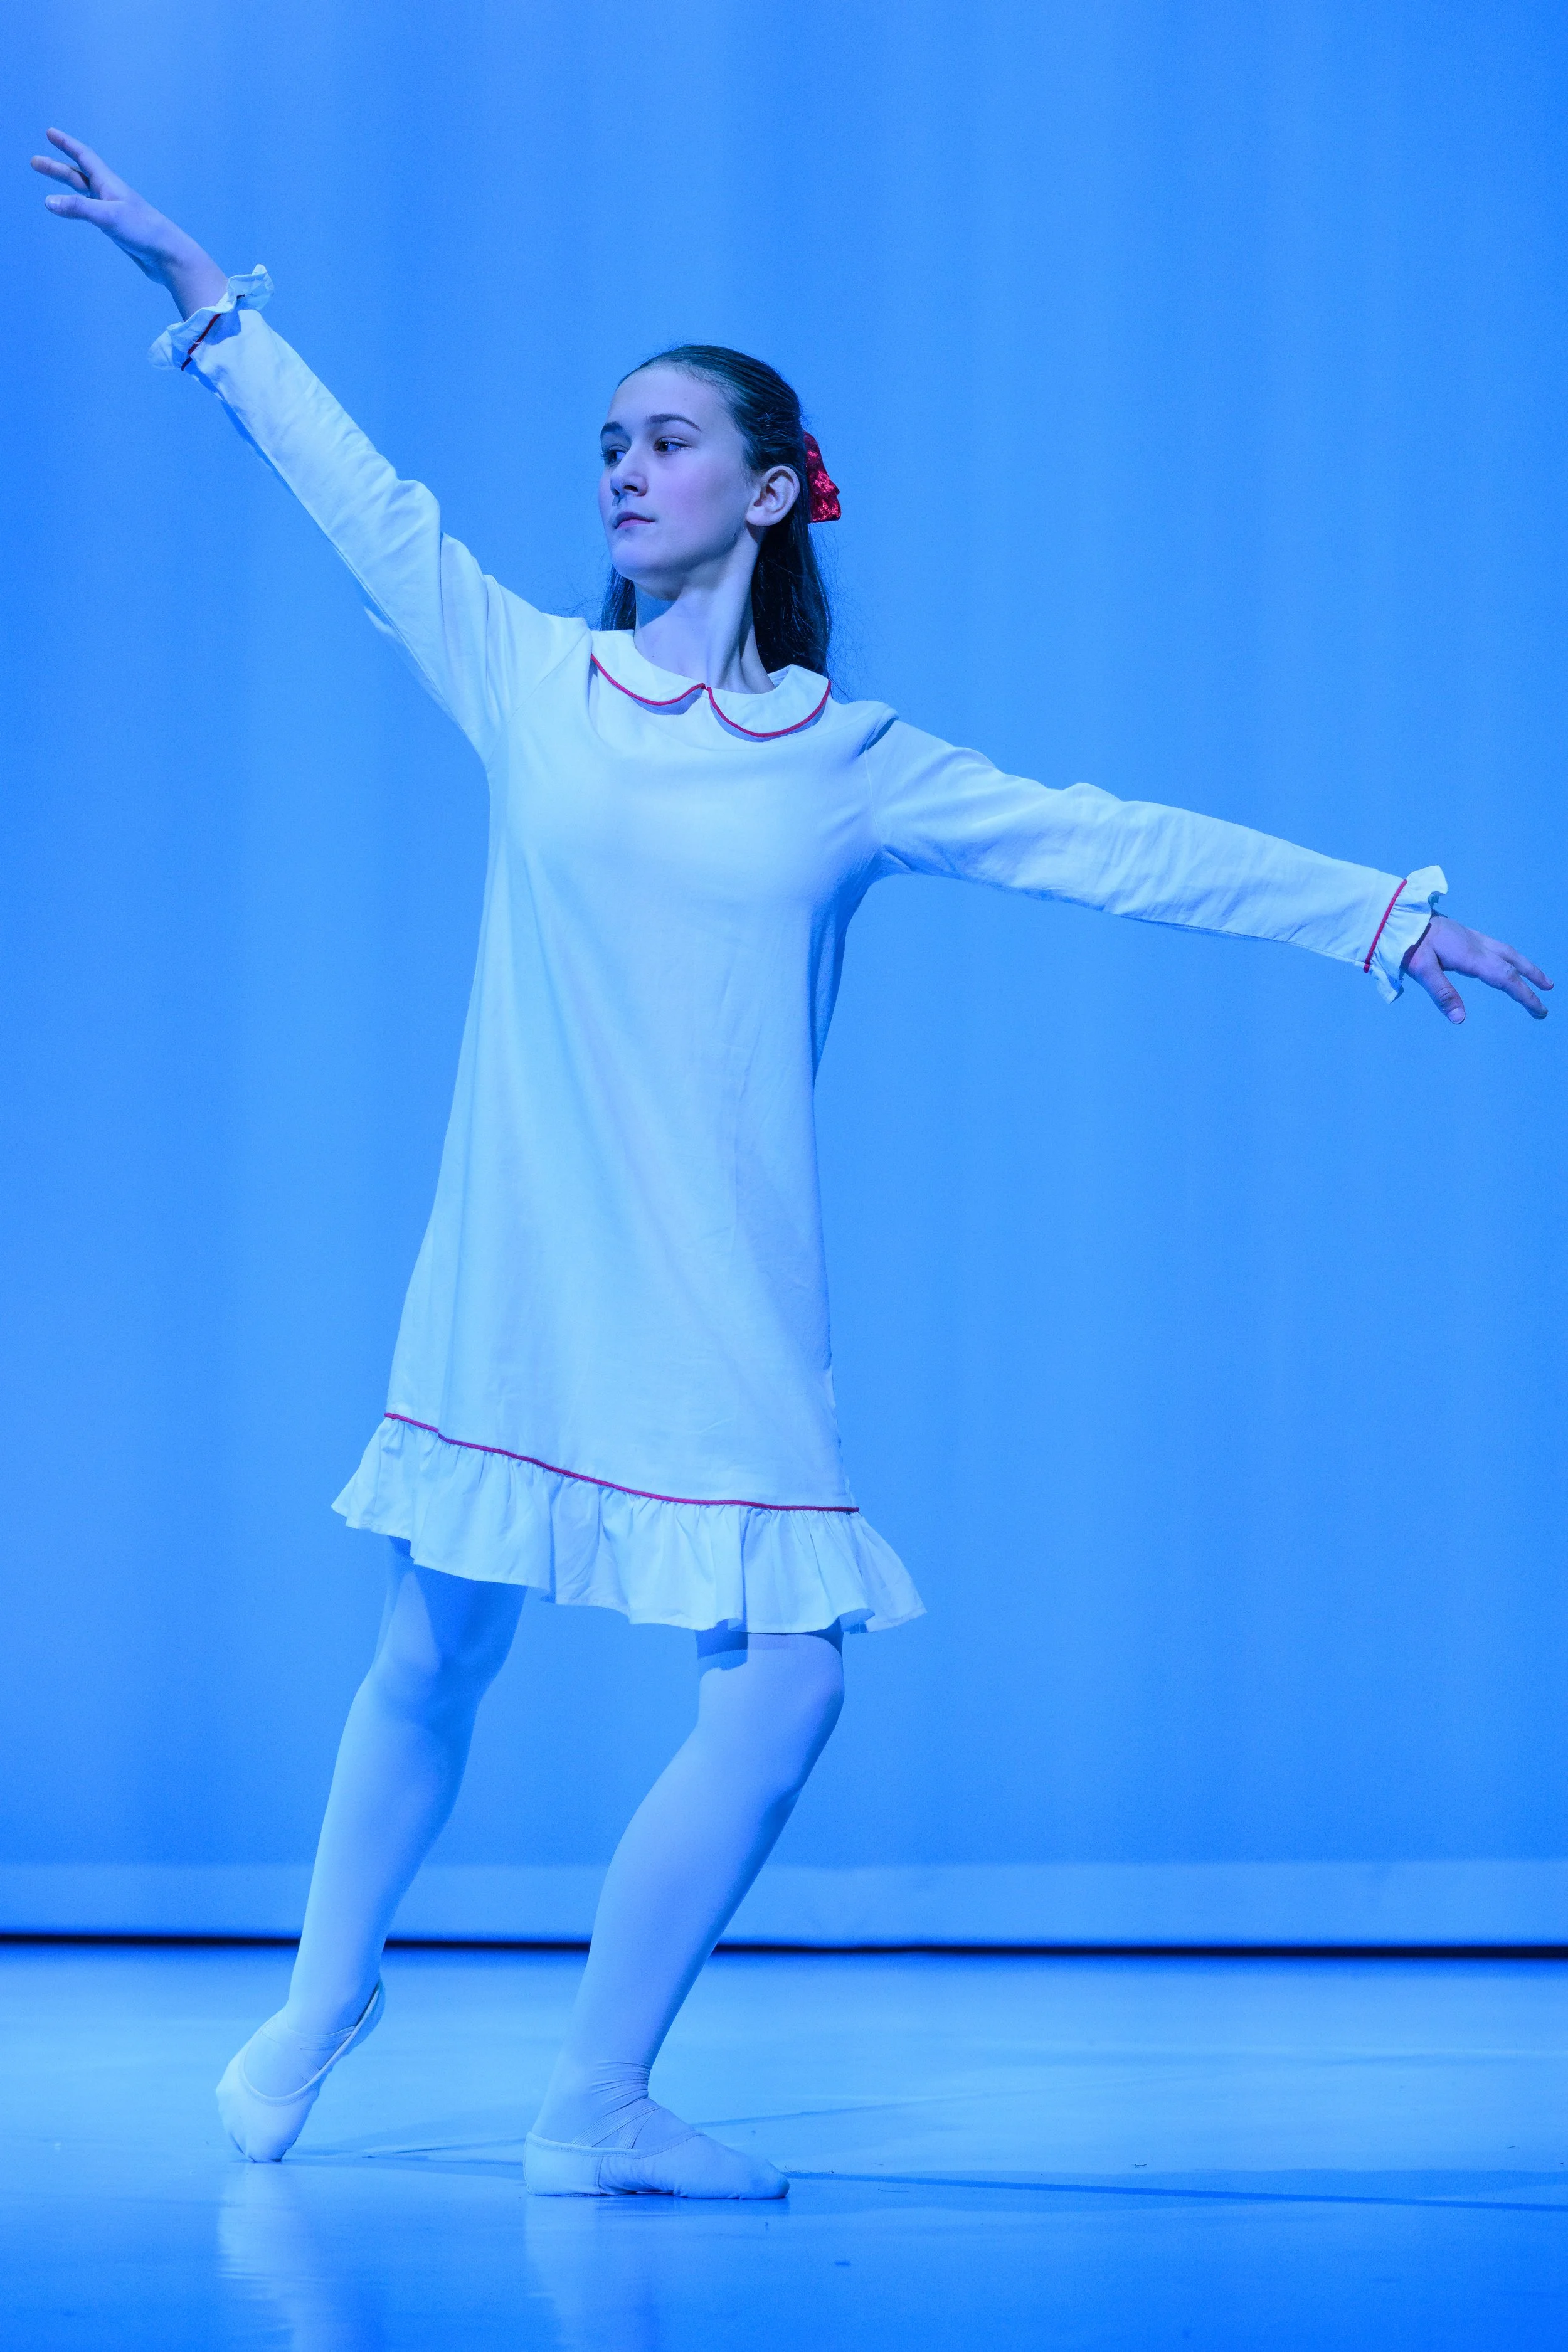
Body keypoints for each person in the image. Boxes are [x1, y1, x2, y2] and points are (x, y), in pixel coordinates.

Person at [32, 125, 1550, 2202]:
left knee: (782, 1691)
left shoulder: (846, 758)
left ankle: (594, 2100)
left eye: (662, 440)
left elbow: (1113, 840)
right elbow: (361, 503)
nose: (619, 470)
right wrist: (198, 288)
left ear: (766, 487)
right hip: (521, 1262)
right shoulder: (531, 679)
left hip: (719, 1295)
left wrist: (1382, 915)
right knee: (432, 1653)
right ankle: (320, 1998)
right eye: (604, 443)